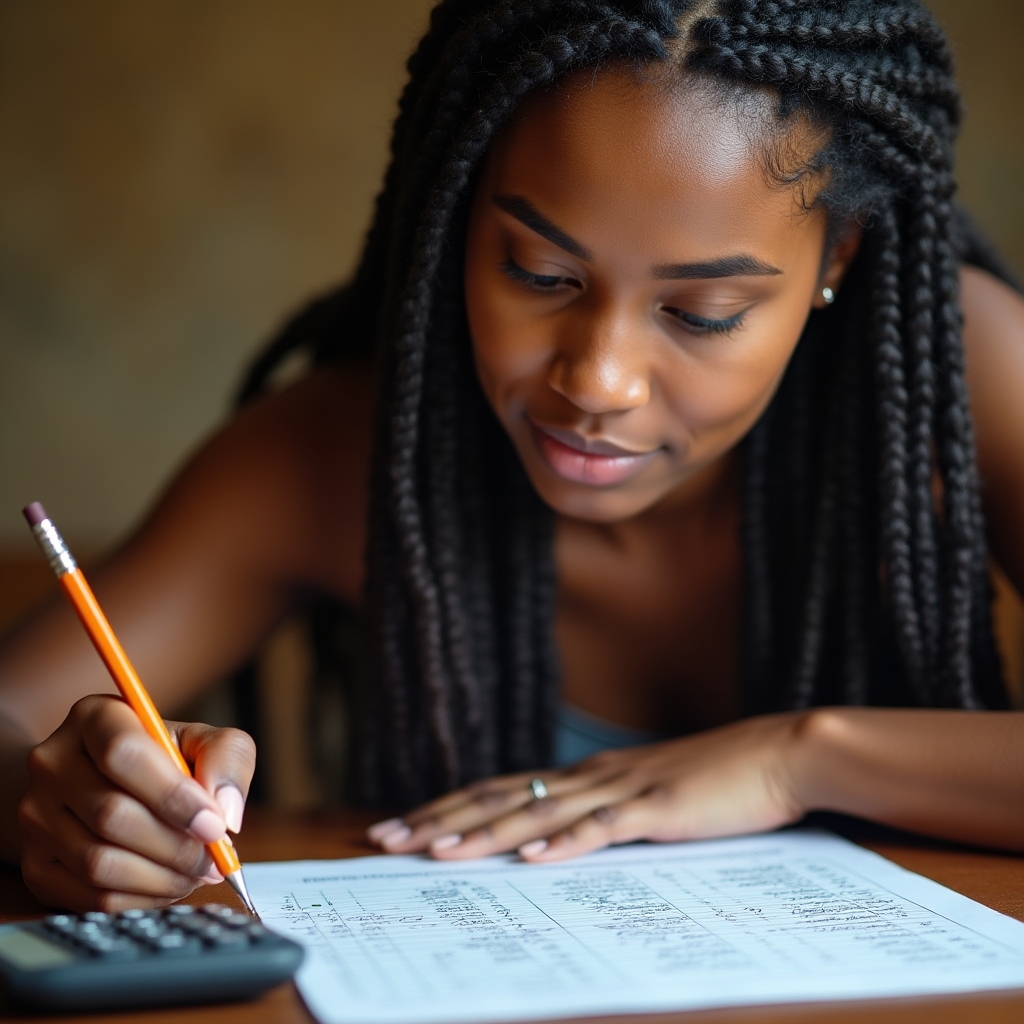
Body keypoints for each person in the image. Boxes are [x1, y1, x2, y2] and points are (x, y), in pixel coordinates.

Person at [1, 0, 1022, 913]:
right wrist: (71, 798)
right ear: (459, 211)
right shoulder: (336, 455)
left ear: (836, 255)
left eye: (702, 313)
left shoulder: (957, 378)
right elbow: (14, 720)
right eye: (538, 272)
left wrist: (799, 759)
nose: (597, 380)